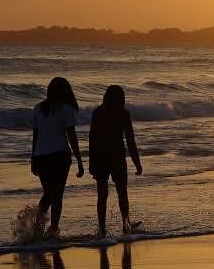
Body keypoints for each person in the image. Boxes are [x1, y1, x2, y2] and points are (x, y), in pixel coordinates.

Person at [31, 77, 84, 239]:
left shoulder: (38, 108)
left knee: (48, 193)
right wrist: (80, 161)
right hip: (60, 155)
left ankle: (37, 229)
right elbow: (71, 136)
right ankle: (53, 229)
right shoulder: (66, 109)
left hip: (42, 156)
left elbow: (36, 135)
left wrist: (33, 159)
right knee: (57, 194)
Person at [88, 85, 143, 236]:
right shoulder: (123, 114)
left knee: (102, 195)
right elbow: (130, 141)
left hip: (100, 157)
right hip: (117, 157)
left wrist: (91, 162)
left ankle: (102, 228)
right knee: (122, 192)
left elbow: (92, 139)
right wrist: (137, 164)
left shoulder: (98, 112)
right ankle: (126, 224)